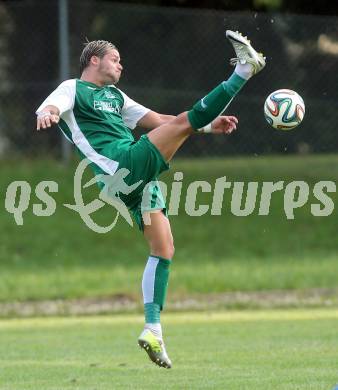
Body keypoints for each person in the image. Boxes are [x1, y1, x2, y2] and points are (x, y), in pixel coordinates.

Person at [36, 30, 265, 369]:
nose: (120, 64)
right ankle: (244, 70)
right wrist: (50, 113)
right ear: (94, 60)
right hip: (121, 164)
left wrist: (205, 127)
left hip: (131, 179)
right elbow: (52, 104)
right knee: (188, 119)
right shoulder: (74, 88)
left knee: (163, 249)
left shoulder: (115, 96)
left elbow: (160, 122)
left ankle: (153, 329)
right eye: (115, 59)